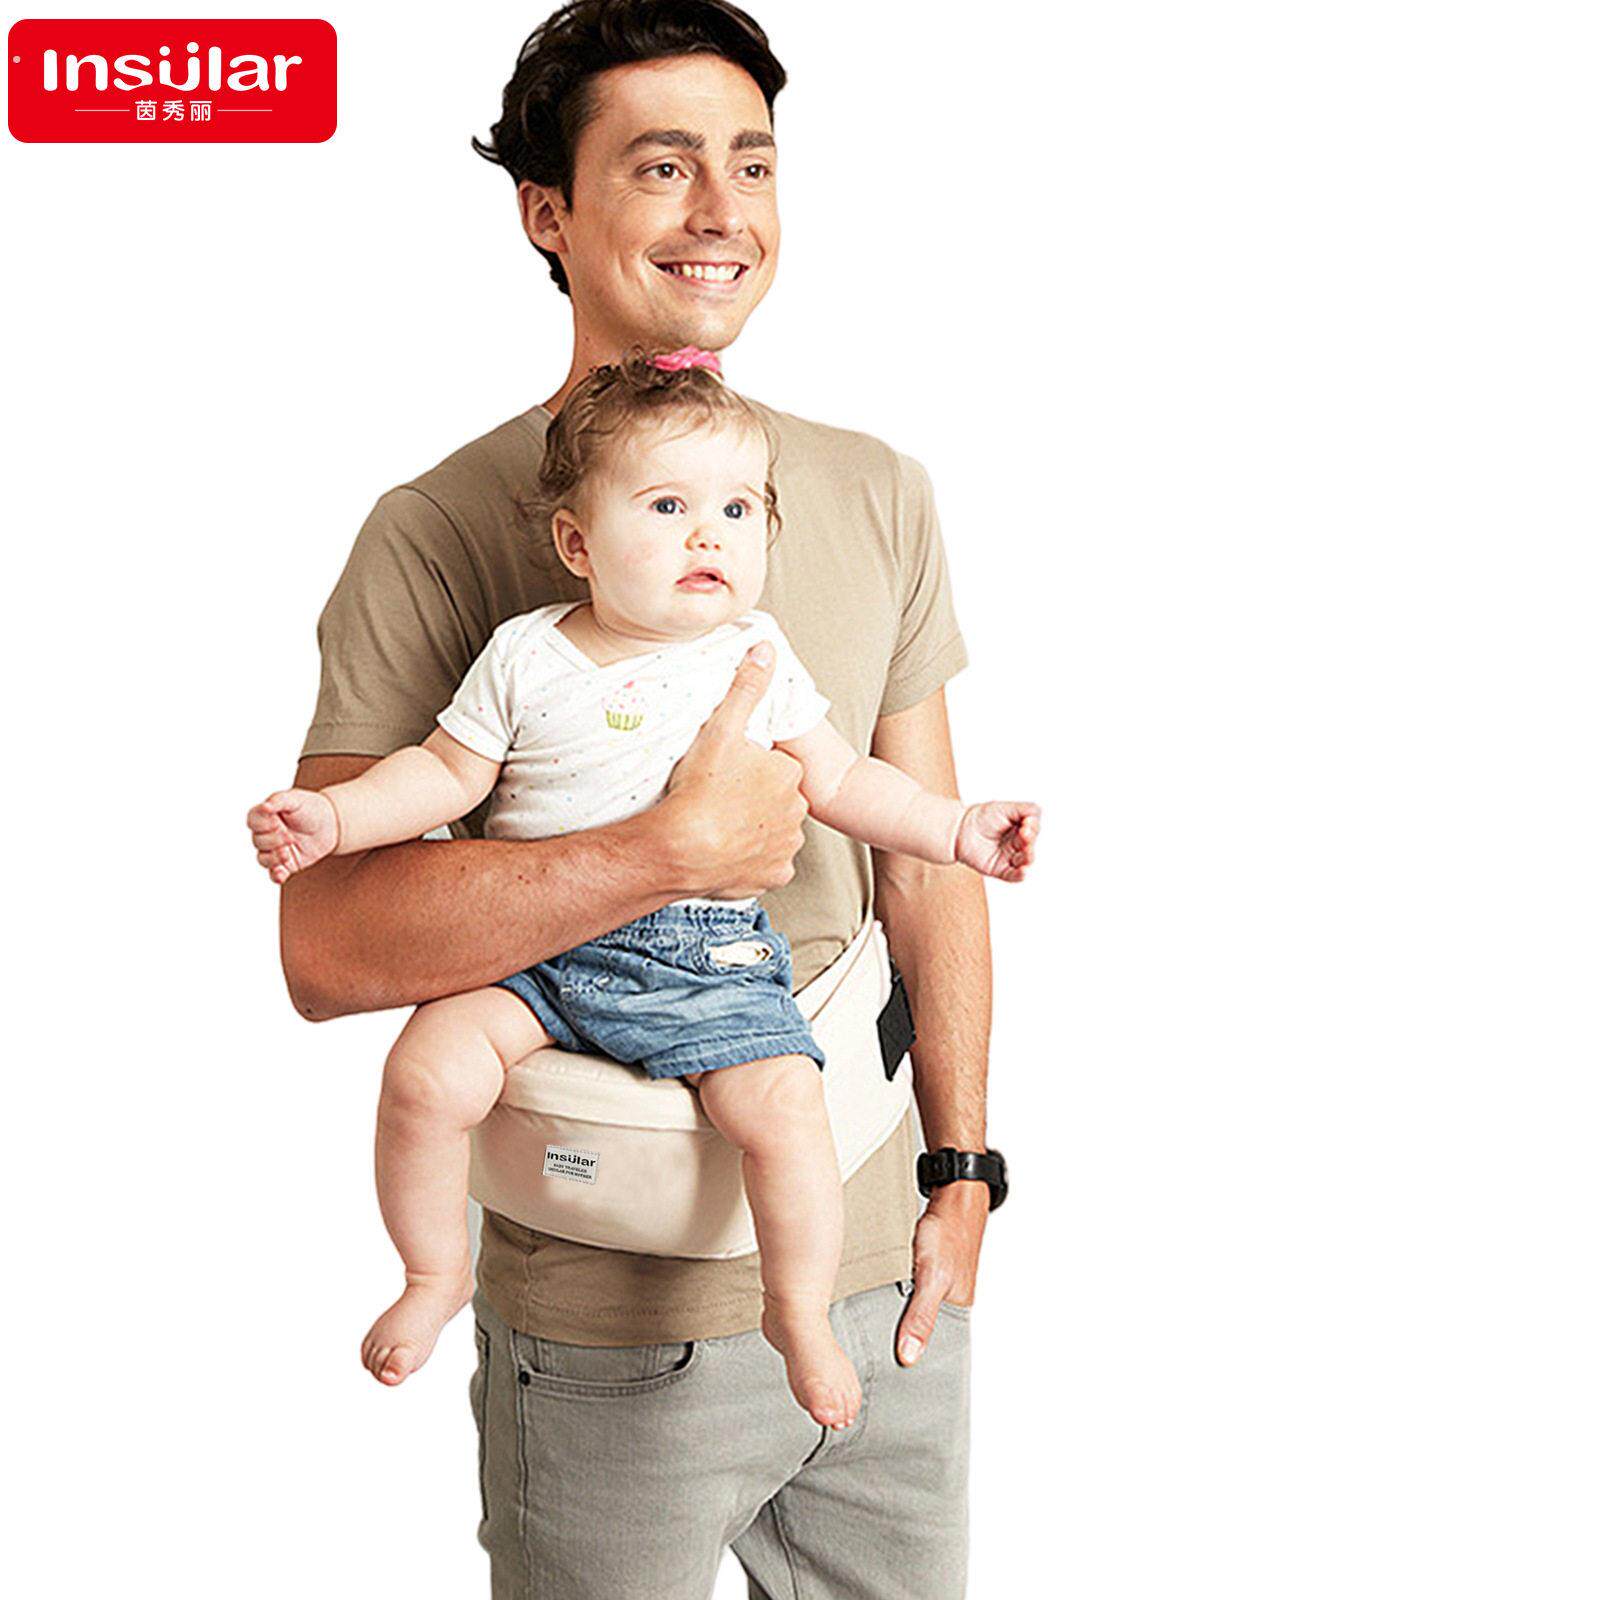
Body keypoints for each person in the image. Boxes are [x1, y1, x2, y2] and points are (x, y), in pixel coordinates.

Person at [282, 2, 1005, 1593]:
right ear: (546, 213)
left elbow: (925, 866)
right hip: (608, 1333)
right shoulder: (438, 530)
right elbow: (325, 950)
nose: (721, 210)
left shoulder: (876, 490)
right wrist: (662, 850)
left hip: (883, 1288)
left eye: (752, 163)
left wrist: (964, 1176)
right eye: (663, 166)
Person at [252, 350, 1038, 1430]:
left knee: (783, 1107)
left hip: (704, 952)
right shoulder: (525, 656)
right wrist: (336, 819)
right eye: (668, 506)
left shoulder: (754, 653)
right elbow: (442, 775)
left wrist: (956, 828)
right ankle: (433, 1274)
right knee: (426, 1075)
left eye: (737, 509)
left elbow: (847, 780)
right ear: (577, 543)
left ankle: (796, 1311)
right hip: (542, 949)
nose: (708, 534)